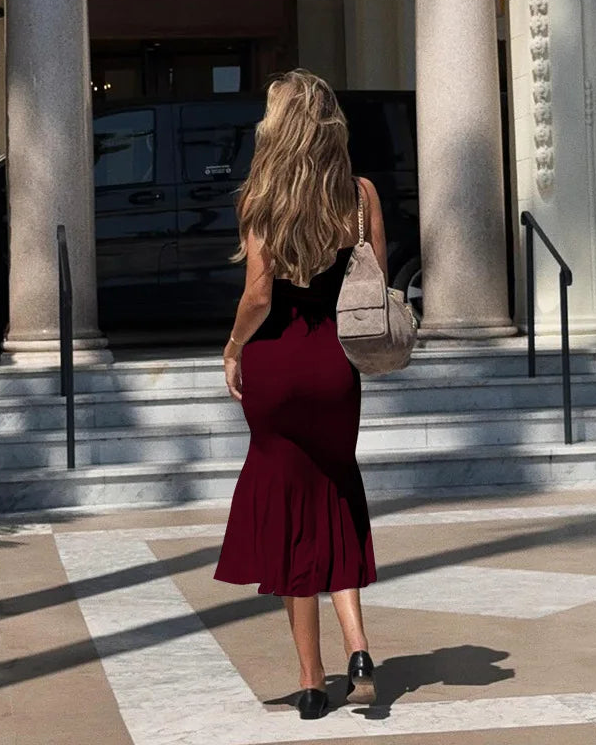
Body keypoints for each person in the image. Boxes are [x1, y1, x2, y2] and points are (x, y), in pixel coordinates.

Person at [213, 68, 385, 720]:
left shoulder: (259, 197)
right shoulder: (359, 194)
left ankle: (312, 682)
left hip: (279, 365)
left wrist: (232, 350)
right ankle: (360, 648)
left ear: (275, 127)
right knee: (338, 497)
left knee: (290, 519)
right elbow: (373, 285)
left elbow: (259, 293)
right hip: (336, 365)